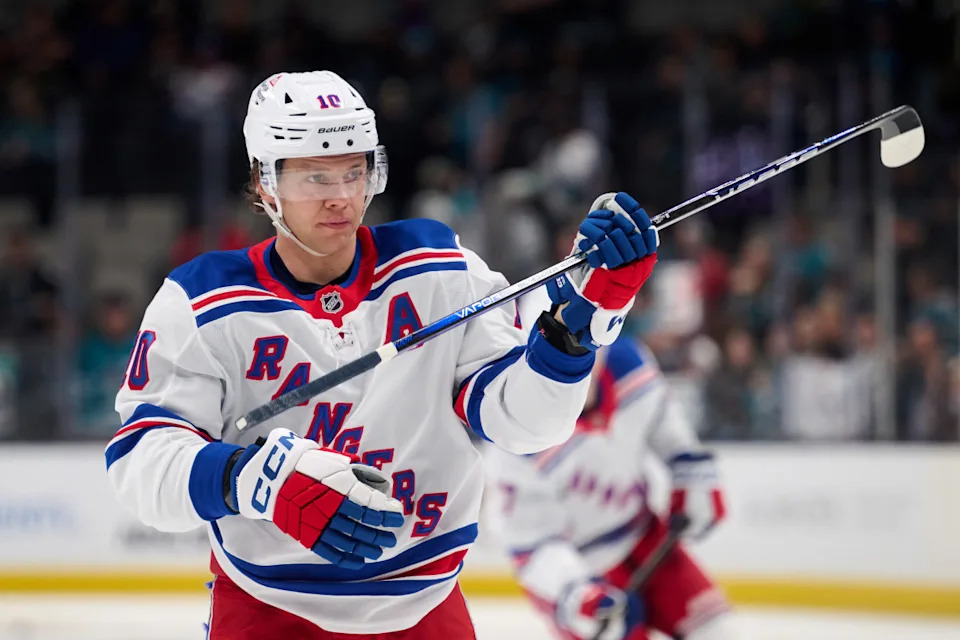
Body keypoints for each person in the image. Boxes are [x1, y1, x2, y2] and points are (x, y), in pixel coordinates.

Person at [105, 70, 660, 639]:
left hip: (426, 608)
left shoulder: (438, 268)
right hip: (269, 611)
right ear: (264, 185)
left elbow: (522, 425)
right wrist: (255, 481)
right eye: (314, 176)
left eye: (354, 171)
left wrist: (578, 326)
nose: (342, 197)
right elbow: (140, 464)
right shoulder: (202, 303)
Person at [484, 288, 736, 640]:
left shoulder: (628, 363)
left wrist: (691, 470)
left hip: (647, 537)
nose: (576, 355)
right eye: (558, 344)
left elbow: (666, 427)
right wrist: (577, 593)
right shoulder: (515, 433)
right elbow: (531, 545)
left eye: (586, 338)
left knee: (717, 631)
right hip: (580, 572)